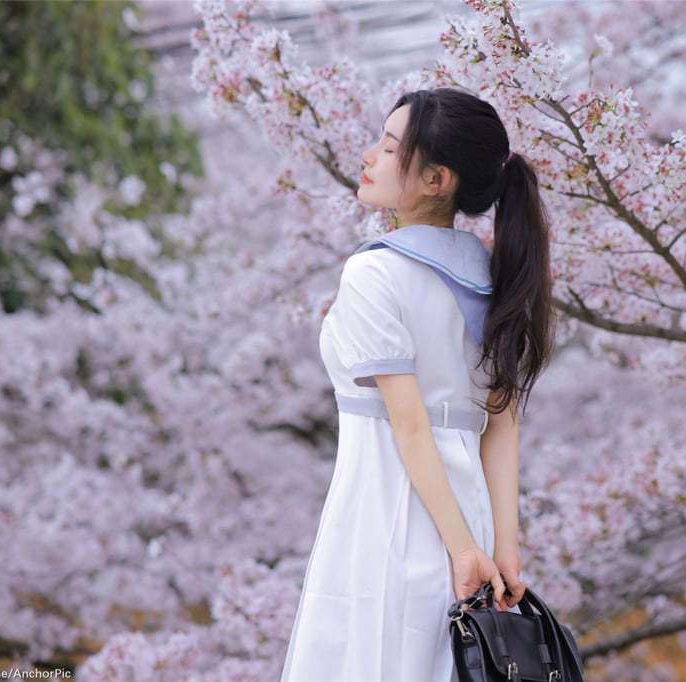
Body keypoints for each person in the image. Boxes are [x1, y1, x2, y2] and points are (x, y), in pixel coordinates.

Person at [280, 87, 557, 681]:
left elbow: (408, 426)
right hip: (469, 523)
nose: (368, 156)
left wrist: (465, 551)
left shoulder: (375, 271)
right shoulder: (497, 277)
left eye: (387, 148)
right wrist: (500, 547)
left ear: (436, 179)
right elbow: (501, 427)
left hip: (385, 510)